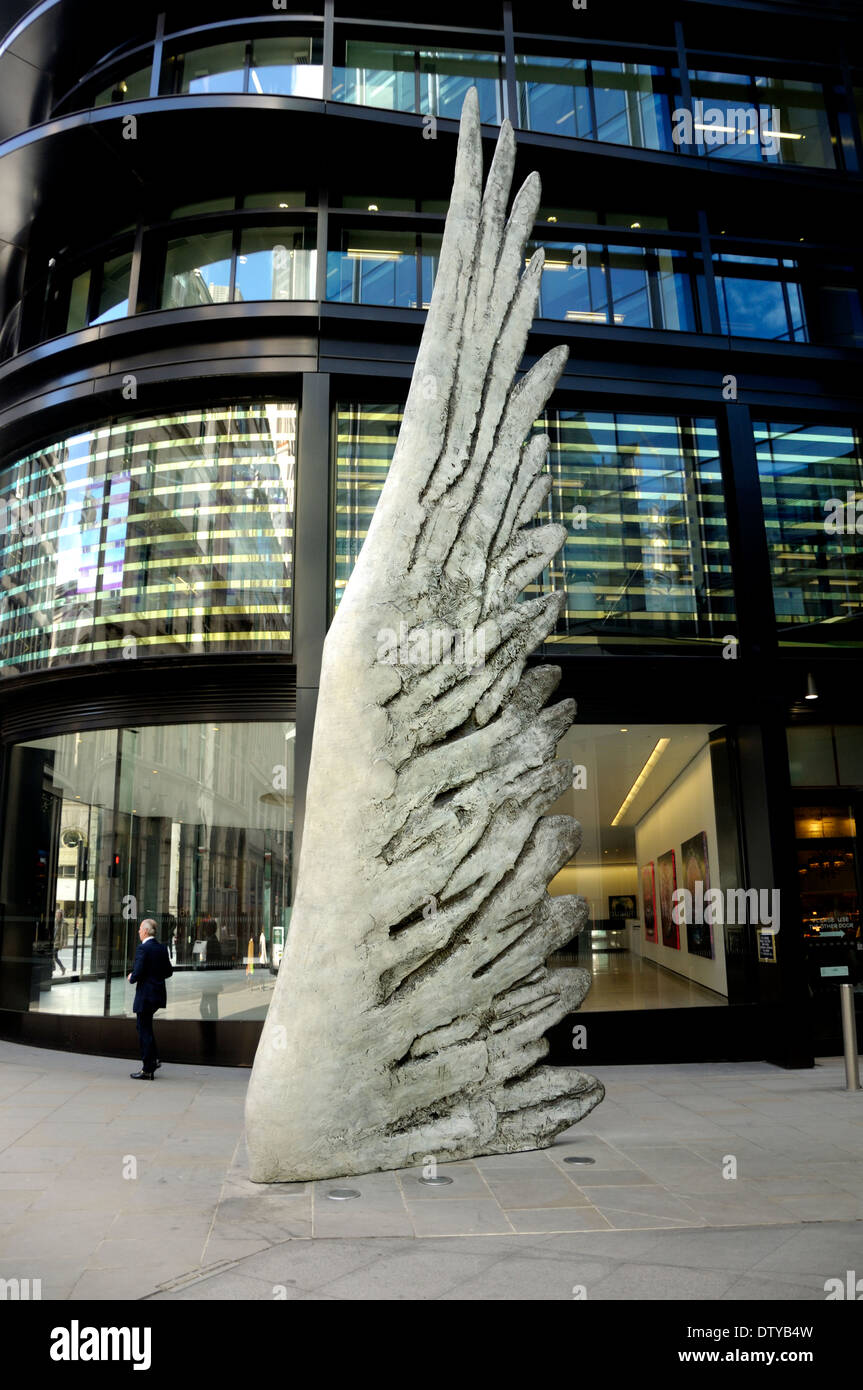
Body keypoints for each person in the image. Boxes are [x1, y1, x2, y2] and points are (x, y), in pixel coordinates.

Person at [127, 918, 173, 1080]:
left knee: (143, 1030)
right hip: (157, 994)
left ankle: (147, 1068)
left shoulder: (143, 949)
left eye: (140, 929)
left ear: (146, 931)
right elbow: (168, 972)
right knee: (147, 1028)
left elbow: (138, 972)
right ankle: (154, 1060)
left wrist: (131, 977)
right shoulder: (162, 948)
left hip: (145, 996)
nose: (139, 931)